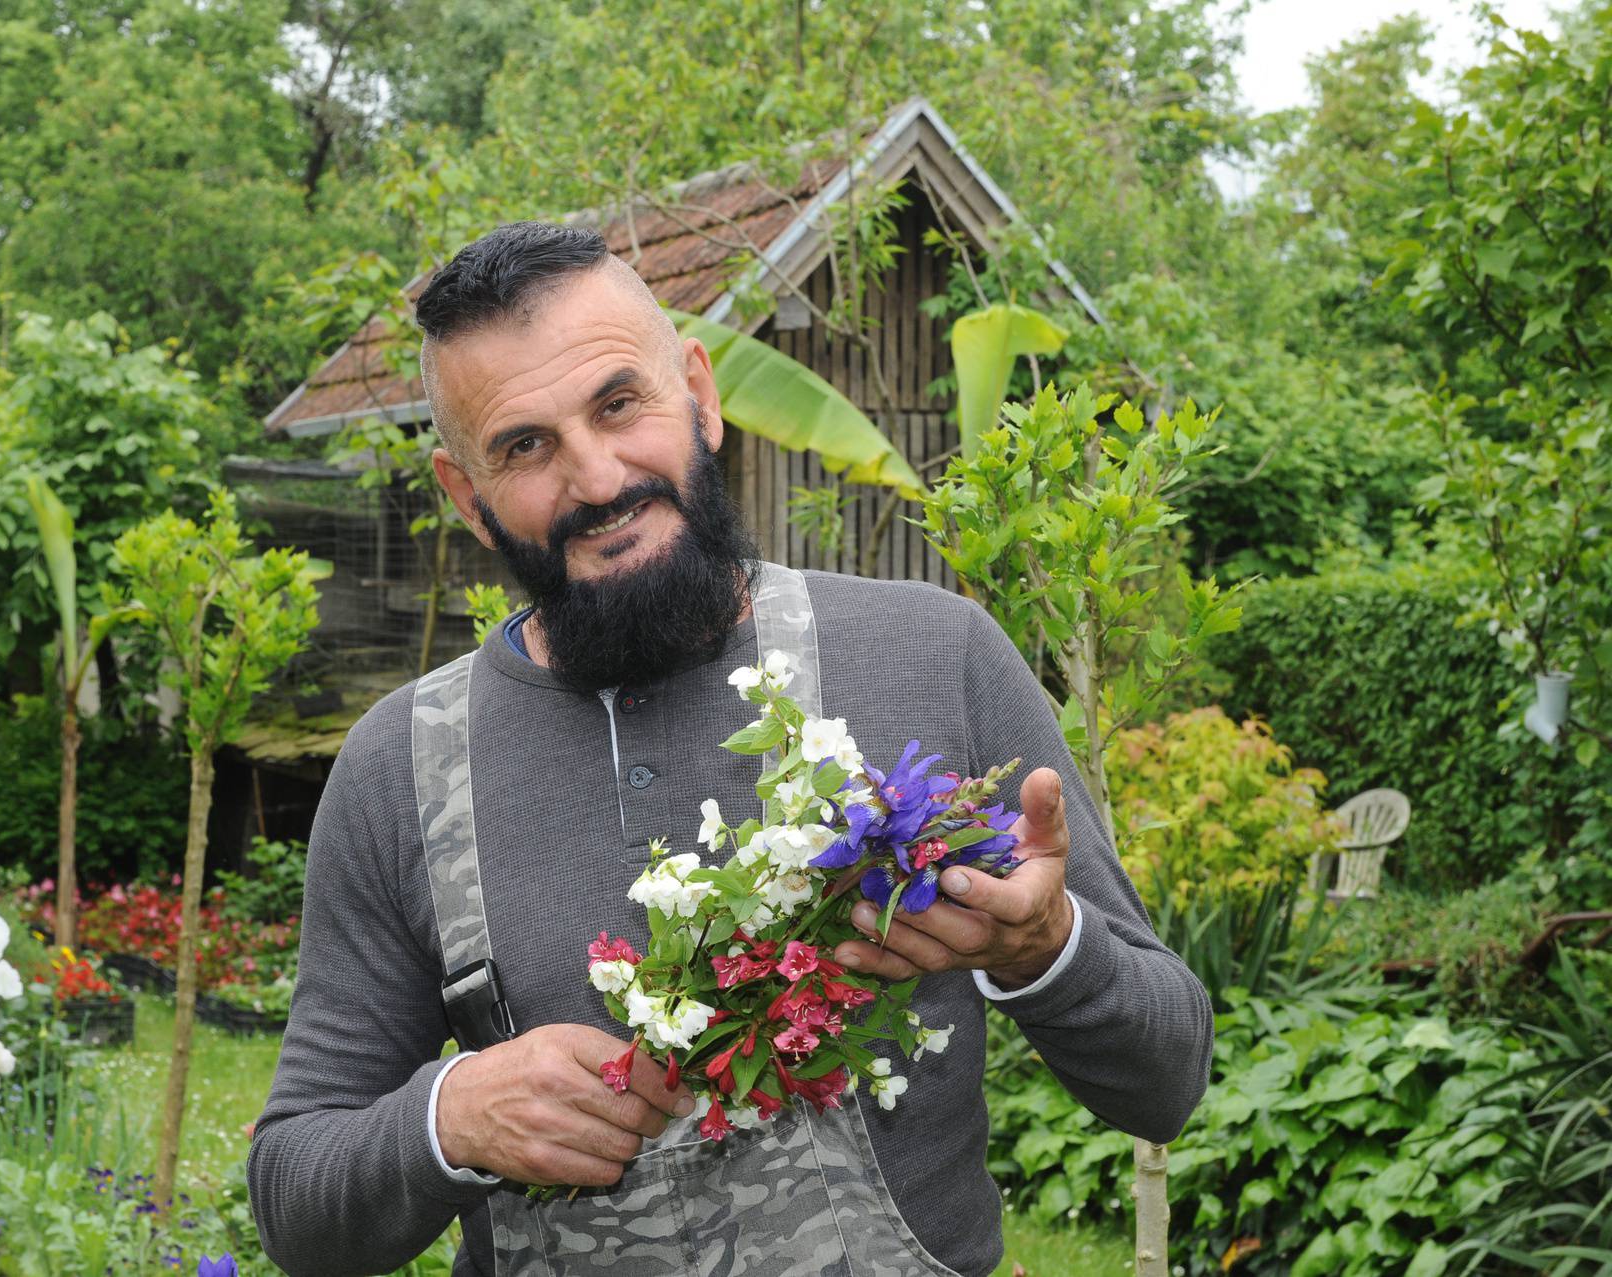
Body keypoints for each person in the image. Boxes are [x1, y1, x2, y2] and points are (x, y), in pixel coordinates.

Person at [248, 221, 1213, 1277]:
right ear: (465, 495)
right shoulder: (404, 764)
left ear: (699, 395)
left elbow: (1165, 1081)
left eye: (621, 403)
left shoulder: (931, 656)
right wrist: (445, 1119)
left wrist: (1045, 951)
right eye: (525, 446)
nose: (599, 474)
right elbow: (298, 1205)